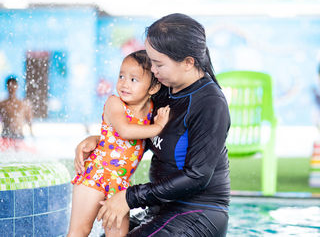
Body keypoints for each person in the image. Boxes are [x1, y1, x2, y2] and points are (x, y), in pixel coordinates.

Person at [75, 13, 231, 236]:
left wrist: (130, 197)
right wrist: (100, 141)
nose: (153, 72)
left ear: (188, 62)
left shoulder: (209, 103)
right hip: (160, 208)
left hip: (199, 212)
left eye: (158, 64)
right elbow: (138, 132)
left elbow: (197, 176)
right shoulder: (162, 91)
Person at [68, 50, 170, 237]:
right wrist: (158, 127)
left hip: (120, 184)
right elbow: (125, 130)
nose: (124, 83)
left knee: (118, 235)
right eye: (121, 76)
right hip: (94, 175)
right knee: (79, 231)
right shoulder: (114, 103)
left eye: (133, 79)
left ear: (153, 88)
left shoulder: (151, 110)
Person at [0, 75, 34, 152]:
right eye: (10, 85)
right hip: (6, 136)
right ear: (7, 87)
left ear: (17, 86)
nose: (12, 88)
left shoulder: (23, 104)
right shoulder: (2, 104)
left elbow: (29, 121)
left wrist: (32, 135)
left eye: (14, 85)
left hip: (19, 136)